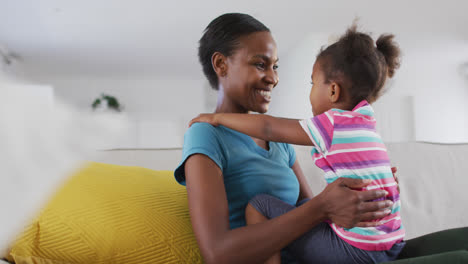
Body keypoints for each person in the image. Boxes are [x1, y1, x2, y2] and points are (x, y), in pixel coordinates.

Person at [175, 13, 396, 264]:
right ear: (221, 65)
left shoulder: (279, 142)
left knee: (449, 244)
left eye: (275, 66)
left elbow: (312, 213)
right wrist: (323, 207)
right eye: (260, 64)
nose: (273, 78)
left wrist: (364, 190)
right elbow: (217, 254)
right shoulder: (205, 134)